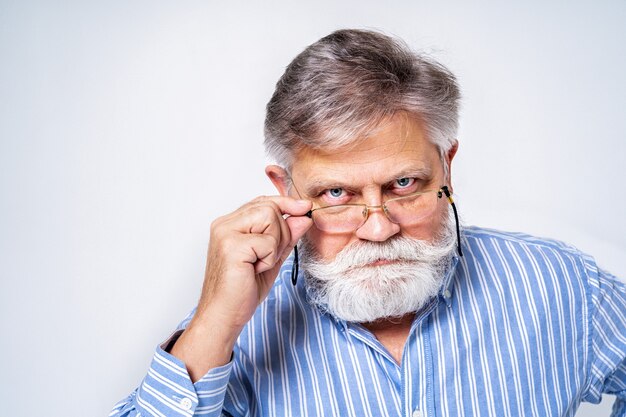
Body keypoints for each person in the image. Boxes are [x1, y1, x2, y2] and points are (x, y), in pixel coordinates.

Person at [110, 29, 626, 417]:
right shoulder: (236, 331)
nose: (378, 229)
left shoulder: (560, 285)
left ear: (446, 167)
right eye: (337, 194)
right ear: (286, 191)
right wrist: (214, 323)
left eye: (403, 185)